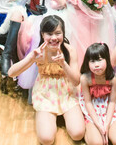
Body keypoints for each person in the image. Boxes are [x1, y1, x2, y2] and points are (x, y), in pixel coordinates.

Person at [8, 15, 85, 145]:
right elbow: (11, 73)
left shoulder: (70, 50)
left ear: (63, 33)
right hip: (45, 94)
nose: (54, 38)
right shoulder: (38, 52)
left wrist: (63, 64)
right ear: (42, 34)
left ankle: (62, 117)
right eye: (49, 34)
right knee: (46, 139)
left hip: (67, 92)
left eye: (58, 33)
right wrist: (31, 58)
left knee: (78, 134)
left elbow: (76, 81)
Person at [79, 43, 116, 145]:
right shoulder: (85, 78)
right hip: (92, 108)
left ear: (107, 60)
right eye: (92, 61)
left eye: (100, 60)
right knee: (97, 143)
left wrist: (106, 125)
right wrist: (99, 125)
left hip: (107, 107)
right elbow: (88, 102)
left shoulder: (114, 78)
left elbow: (112, 102)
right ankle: (89, 131)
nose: (96, 65)